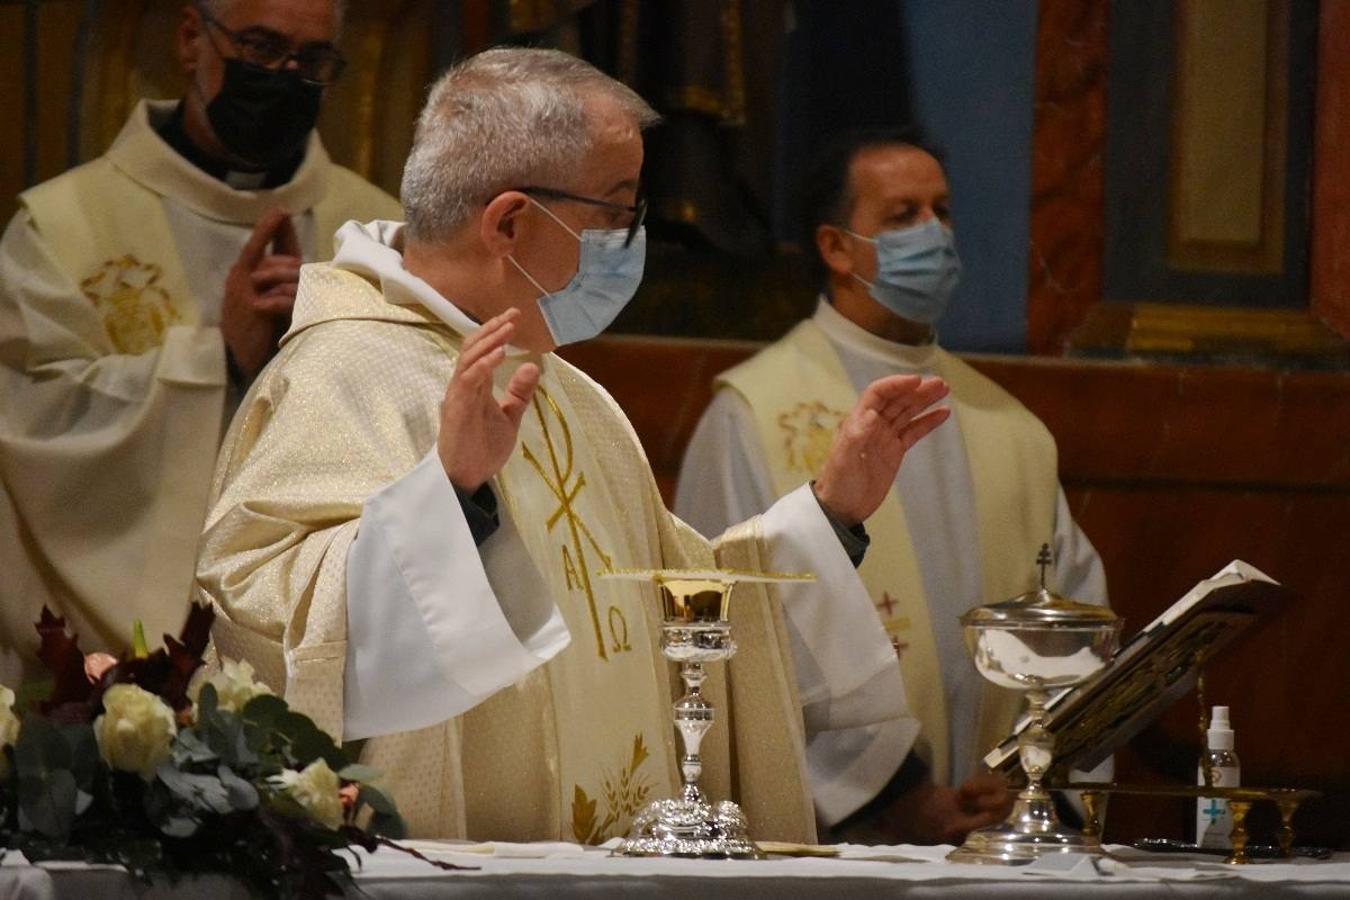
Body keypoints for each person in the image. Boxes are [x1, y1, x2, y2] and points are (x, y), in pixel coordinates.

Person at [195, 48, 955, 842]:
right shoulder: (341, 370)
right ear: (511, 222)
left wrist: (831, 515)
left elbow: (680, 608)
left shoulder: (574, 395)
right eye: (619, 211)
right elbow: (260, 626)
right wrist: (451, 497)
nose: (635, 239)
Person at [675, 129, 1109, 844]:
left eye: (941, 211)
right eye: (903, 215)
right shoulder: (752, 414)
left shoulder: (1014, 429)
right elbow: (729, 633)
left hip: (1003, 835)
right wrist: (896, 797)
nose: (933, 235)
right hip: (842, 839)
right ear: (836, 247)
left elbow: (1076, 621)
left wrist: (1034, 784)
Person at [0, 0, 400, 684]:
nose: (284, 76)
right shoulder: (63, 227)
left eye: (311, 61)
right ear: (192, 39)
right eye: (261, 47)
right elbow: (32, 424)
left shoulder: (378, 231)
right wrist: (218, 360)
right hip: (110, 684)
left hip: (321, 664)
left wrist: (324, 347)